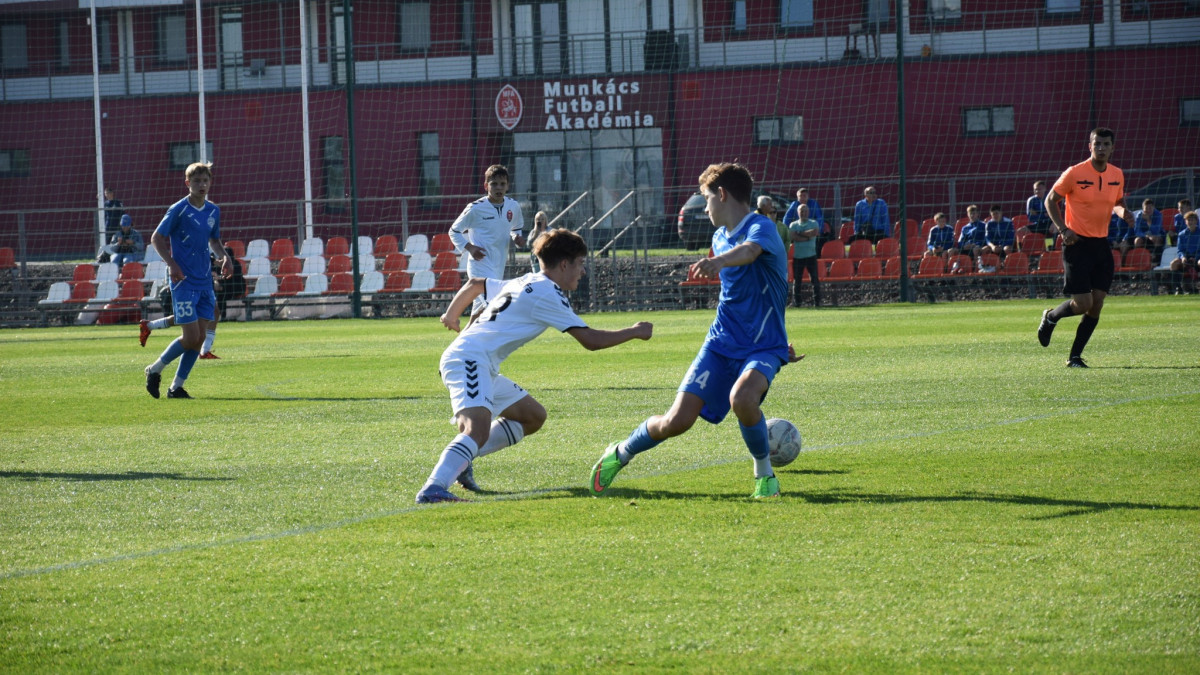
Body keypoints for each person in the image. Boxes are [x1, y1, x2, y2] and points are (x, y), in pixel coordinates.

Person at [588, 162, 803, 500]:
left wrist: (718, 262)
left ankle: (764, 476)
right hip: (719, 345)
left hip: (763, 346)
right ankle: (620, 452)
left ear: (722, 194)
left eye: (706, 199)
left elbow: (750, 252)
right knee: (677, 421)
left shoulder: (762, 227)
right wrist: (718, 259)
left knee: (742, 399)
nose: (705, 209)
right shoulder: (719, 238)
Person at [415, 228, 653, 503]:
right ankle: (433, 488)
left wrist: (455, 317)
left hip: (477, 360)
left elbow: (477, 284)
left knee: (532, 416)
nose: (583, 271)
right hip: (470, 359)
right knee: (476, 430)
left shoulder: (527, 281)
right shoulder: (547, 293)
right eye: (580, 264)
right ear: (564, 264)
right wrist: (635, 331)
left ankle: (461, 459)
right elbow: (590, 340)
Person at [1037, 127, 1134, 368]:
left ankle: (1075, 357)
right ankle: (1050, 318)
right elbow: (1050, 200)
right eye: (1097, 144)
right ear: (1089, 146)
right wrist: (1063, 229)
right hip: (1076, 244)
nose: (1101, 148)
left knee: (1097, 303)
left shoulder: (1117, 174)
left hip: (1101, 244)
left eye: (1106, 144)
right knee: (1083, 304)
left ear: (1113, 148)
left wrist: (1123, 213)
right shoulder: (1074, 173)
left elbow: (1118, 201)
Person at [142, 162, 231, 398]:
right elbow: (156, 238)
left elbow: (214, 241)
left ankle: (176, 387)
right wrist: (172, 264)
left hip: (204, 281)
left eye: (205, 181)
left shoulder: (213, 211)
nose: (202, 185)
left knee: (200, 337)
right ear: (187, 183)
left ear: (210, 182)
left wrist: (225, 257)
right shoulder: (179, 209)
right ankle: (154, 370)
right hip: (183, 280)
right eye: (196, 181)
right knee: (191, 337)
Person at [448, 164, 526, 315]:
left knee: (480, 311)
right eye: (494, 184)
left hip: (498, 265)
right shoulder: (475, 208)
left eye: (502, 184)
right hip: (480, 265)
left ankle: (465, 337)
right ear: (486, 185)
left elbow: (516, 229)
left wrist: (517, 238)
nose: (498, 188)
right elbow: (454, 231)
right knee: (495, 307)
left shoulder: (513, 206)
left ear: (508, 186)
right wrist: (470, 247)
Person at [140, 249, 240, 358]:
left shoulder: (202, 240)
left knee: (210, 313)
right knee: (190, 318)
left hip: (199, 280)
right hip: (188, 282)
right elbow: (192, 255)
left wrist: (216, 262)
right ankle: (150, 328)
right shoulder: (188, 240)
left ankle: (204, 351)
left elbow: (201, 255)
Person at [788, 203, 822, 307]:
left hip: (811, 256)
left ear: (809, 212)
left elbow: (815, 232)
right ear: (798, 212)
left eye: (805, 211)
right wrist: (807, 236)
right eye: (801, 211)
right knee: (797, 281)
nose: (803, 213)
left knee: (814, 279)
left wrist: (800, 233)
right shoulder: (793, 225)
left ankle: (817, 302)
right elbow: (794, 237)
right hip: (798, 257)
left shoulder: (814, 223)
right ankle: (797, 303)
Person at [1169, 210, 1199, 294]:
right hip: (1185, 258)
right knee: (1173, 264)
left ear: (1196, 221)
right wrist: (1183, 257)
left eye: (1192, 220)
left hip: (1197, 257)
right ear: (1185, 222)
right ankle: (1178, 289)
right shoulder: (1181, 234)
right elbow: (1180, 249)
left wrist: (1196, 257)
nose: (1190, 222)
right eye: (1188, 220)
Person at [95, 187, 125, 262]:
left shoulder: (118, 203)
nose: (107, 195)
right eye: (106, 194)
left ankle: (118, 257)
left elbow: (123, 214)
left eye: (108, 193)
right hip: (108, 227)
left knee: (117, 242)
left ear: (112, 193)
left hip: (117, 227)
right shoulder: (104, 204)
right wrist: (98, 200)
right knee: (107, 242)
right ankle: (106, 257)